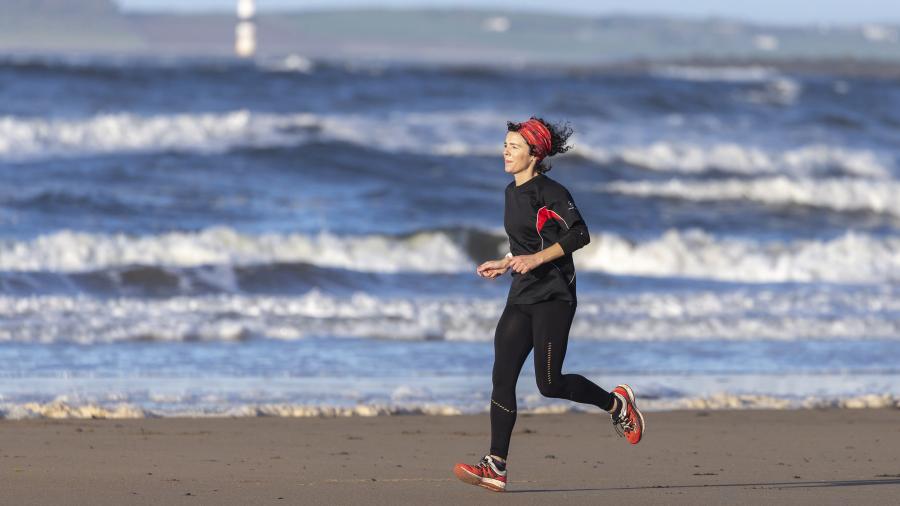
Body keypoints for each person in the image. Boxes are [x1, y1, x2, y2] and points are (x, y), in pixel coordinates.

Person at [452, 117, 645, 493]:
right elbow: (528, 243)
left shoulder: (552, 191)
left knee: (550, 383)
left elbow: (580, 233)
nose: (505, 151)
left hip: (554, 296)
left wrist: (536, 261)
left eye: (513, 146)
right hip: (522, 293)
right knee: (501, 377)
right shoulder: (511, 192)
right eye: (505, 144)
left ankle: (617, 405)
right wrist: (507, 261)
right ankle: (496, 465)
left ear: (534, 153)